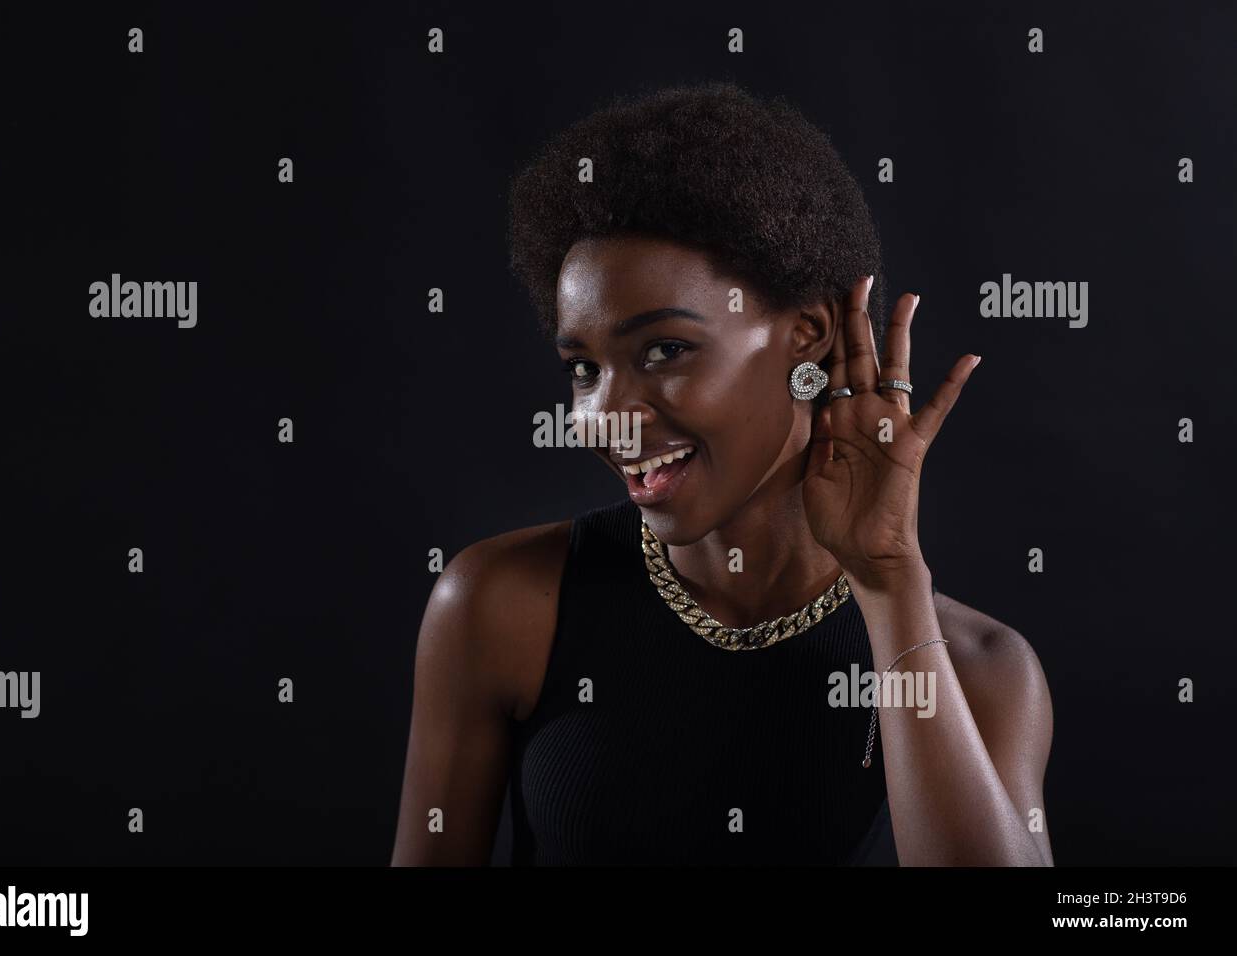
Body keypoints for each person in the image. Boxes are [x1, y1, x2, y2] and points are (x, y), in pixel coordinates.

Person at [391, 81, 1053, 866]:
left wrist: (890, 588)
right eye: (582, 367)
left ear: (806, 333)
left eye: (664, 350)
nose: (606, 415)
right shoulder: (503, 605)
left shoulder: (980, 668)